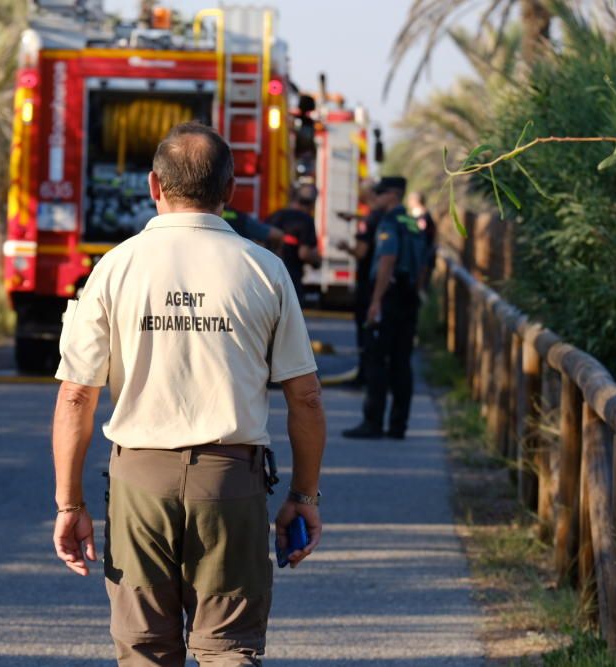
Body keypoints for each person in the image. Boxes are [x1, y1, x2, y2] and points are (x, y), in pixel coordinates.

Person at [51, 121, 326, 666]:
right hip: (231, 484)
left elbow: (76, 398)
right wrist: (304, 496)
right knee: (229, 649)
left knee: (146, 651)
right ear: (229, 192)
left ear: (155, 186)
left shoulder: (114, 268)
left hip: (138, 486)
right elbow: (307, 398)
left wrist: (70, 503)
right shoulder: (264, 270)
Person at [342, 176, 427, 440]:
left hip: (389, 297)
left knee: (376, 359)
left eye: (379, 195)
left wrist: (376, 300)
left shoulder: (389, 222)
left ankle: (373, 422)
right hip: (410, 296)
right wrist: (417, 290)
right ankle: (398, 425)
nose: (375, 200)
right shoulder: (413, 223)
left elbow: (387, 259)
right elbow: (425, 261)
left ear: (392, 195)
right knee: (402, 362)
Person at [337, 184, 386, 386]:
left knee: (364, 329)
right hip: (377, 282)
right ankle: (374, 373)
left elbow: (361, 252)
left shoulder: (370, 220)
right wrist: (354, 218)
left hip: (367, 281)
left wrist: (346, 248)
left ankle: (364, 375)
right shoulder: (383, 217)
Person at [266, 183, 320, 301]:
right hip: (291, 280)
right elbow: (304, 253)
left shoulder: (275, 216)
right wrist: (317, 260)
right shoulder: (306, 220)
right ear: (312, 204)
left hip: (269, 278)